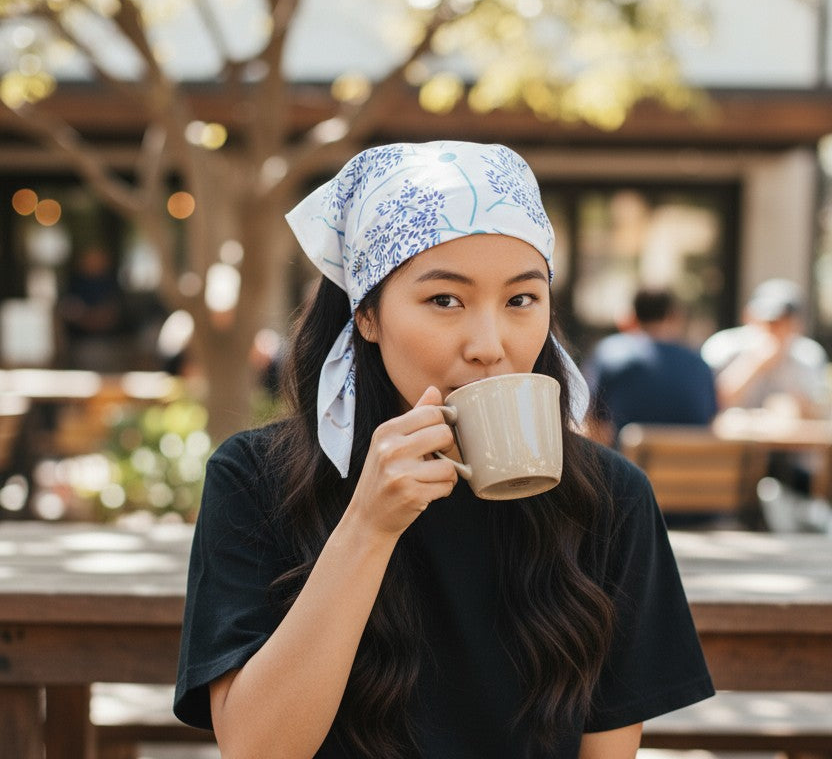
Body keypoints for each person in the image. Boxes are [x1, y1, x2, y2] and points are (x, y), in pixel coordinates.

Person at [174, 142, 714, 758]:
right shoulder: (256, 479)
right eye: (445, 300)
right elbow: (256, 750)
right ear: (367, 315)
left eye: (520, 300)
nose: (489, 344)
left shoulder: (610, 499)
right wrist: (368, 528)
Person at [701, 278, 829, 495]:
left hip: (789, 463)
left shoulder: (807, 355)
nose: (772, 328)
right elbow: (710, 403)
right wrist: (755, 364)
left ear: (797, 324)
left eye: (782, 321)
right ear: (748, 317)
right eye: (767, 320)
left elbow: (818, 415)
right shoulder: (723, 348)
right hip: (729, 458)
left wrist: (795, 403)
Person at [583, 288, 718, 446]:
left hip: (625, 466)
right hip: (691, 467)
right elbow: (711, 424)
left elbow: (593, 425)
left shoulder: (609, 354)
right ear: (674, 316)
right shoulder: (699, 365)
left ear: (633, 316)